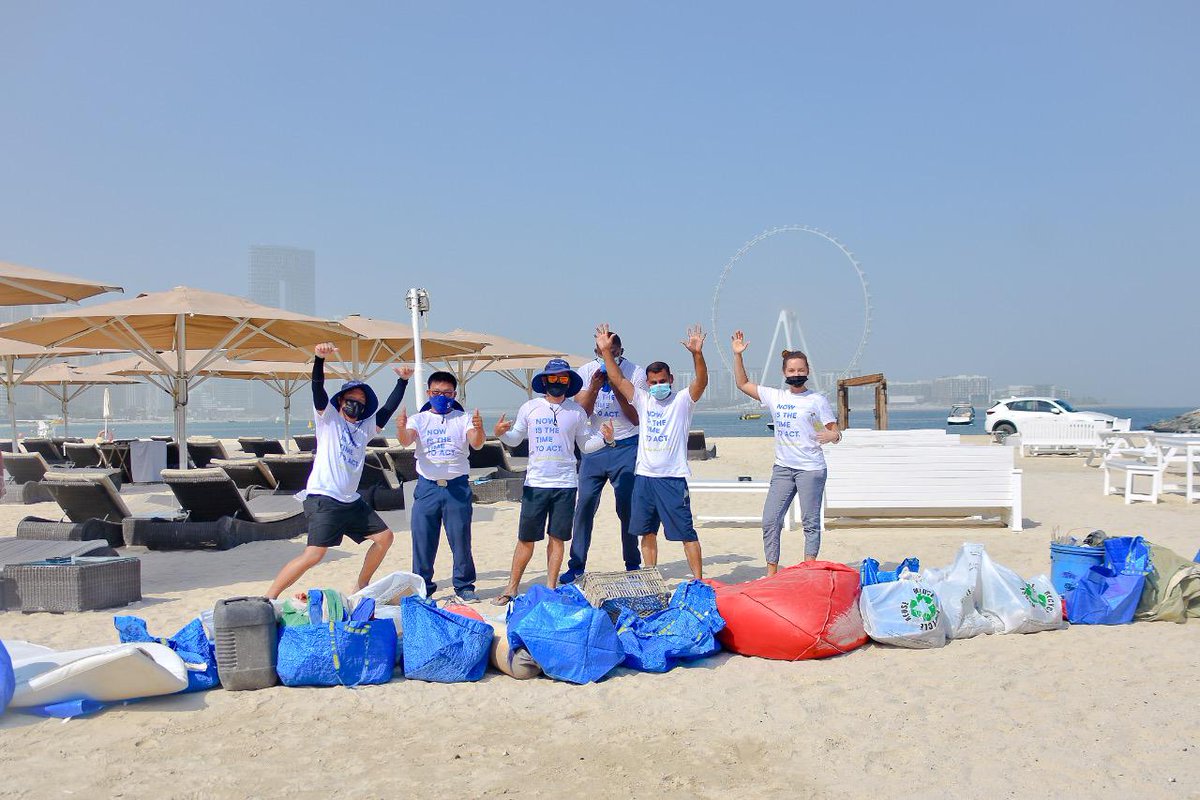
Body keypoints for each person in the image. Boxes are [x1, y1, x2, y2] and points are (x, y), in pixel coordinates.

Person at [266, 342, 411, 599]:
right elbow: (318, 389)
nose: (356, 404)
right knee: (314, 554)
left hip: (350, 501)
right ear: (341, 402)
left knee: (385, 538)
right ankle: (270, 596)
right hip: (324, 498)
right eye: (351, 400)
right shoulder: (329, 419)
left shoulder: (365, 428)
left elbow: (387, 410)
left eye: (361, 401)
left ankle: (361, 585)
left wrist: (402, 382)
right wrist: (319, 359)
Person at [491, 359, 614, 604]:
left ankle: (550, 587)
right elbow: (515, 439)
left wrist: (605, 439)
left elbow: (585, 446)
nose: (557, 383)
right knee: (526, 538)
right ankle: (511, 588)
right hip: (536, 482)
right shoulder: (530, 407)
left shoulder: (576, 411)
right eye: (553, 378)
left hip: (566, 483)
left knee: (557, 538)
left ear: (569, 382)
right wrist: (501, 433)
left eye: (563, 379)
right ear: (544, 381)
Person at [594, 322, 708, 579]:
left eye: (662, 381)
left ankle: (698, 580)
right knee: (646, 531)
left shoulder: (681, 401)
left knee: (686, 533)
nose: (659, 385)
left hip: (672, 478)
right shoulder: (644, 399)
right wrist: (606, 352)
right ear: (647, 382)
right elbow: (617, 379)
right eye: (654, 381)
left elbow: (701, 382)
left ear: (671, 380)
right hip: (644, 477)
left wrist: (697, 354)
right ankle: (651, 576)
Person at [731, 330, 841, 574]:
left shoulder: (817, 400)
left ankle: (809, 569)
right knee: (770, 520)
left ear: (807, 371)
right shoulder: (775, 397)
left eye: (800, 370)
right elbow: (742, 383)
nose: (796, 374)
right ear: (784, 373)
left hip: (811, 469)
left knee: (810, 523)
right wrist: (738, 355)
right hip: (783, 468)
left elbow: (835, 432)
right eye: (791, 371)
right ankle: (772, 570)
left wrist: (833, 435)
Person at [560, 332, 646, 584]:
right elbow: (581, 413)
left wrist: (617, 385)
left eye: (613, 352)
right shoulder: (586, 371)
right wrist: (596, 386)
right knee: (585, 506)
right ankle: (576, 565)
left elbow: (636, 417)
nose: (608, 357)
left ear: (621, 351)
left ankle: (632, 563)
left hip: (626, 445)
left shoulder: (635, 372)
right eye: (602, 352)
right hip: (594, 447)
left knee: (627, 508)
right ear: (596, 352)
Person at [395, 370, 484, 601]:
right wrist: (400, 427)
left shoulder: (462, 418)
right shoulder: (419, 419)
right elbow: (406, 440)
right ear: (428, 393)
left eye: (447, 393)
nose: (441, 397)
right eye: (436, 392)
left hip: (457, 486)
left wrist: (480, 428)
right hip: (427, 487)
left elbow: (476, 443)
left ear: (455, 394)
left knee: (460, 538)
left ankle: (464, 585)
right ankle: (423, 586)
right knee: (423, 539)